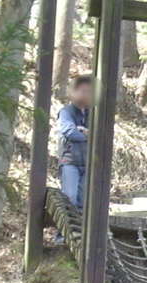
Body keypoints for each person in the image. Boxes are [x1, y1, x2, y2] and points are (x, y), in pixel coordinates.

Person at [57, 75, 92, 213]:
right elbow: (69, 131)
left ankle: (80, 226)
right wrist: (86, 134)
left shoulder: (93, 113)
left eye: (89, 91)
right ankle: (65, 227)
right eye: (83, 91)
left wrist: (82, 130)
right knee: (69, 198)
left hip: (88, 162)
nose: (86, 94)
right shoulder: (66, 112)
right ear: (74, 92)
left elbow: (100, 133)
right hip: (70, 161)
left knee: (83, 200)